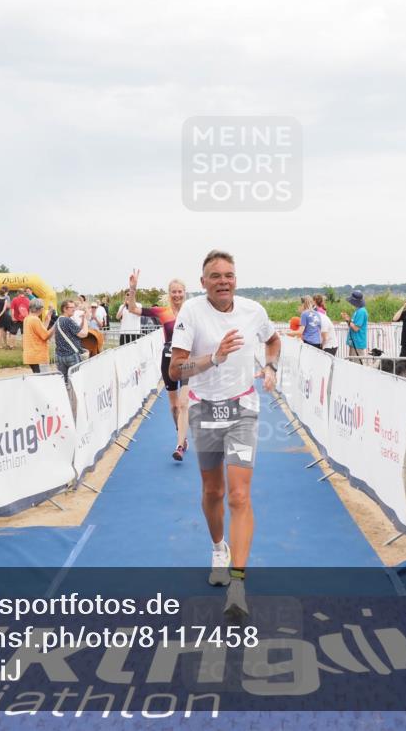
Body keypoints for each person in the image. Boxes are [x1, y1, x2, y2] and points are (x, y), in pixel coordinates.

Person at [169, 250, 280, 619]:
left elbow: (273, 341)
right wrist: (213, 358)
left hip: (242, 409)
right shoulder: (191, 313)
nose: (223, 281)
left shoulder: (253, 311)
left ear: (236, 279)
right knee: (213, 490)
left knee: (238, 494)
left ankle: (237, 583)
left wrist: (270, 368)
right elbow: (176, 370)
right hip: (204, 409)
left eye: (229, 275)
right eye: (215, 276)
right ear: (203, 283)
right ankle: (219, 547)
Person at [125, 271, 190, 461]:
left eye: (180, 291)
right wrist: (133, 288)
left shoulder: (192, 311)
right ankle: (181, 432)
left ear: (185, 292)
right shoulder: (162, 312)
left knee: (184, 402)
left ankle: (179, 445)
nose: (177, 295)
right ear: (169, 293)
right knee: (174, 406)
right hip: (168, 360)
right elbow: (132, 309)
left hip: (187, 360)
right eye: (173, 292)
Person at [53, 299, 89, 383]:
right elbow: (83, 334)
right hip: (72, 355)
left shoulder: (59, 320)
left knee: (64, 383)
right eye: (71, 307)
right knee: (77, 382)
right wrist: (86, 319)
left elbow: (76, 330)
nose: (74, 309)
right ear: (65, 309)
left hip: (60, 356)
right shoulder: (68, 320)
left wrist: (83, 319)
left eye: (74, 307)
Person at [23, 299, 54, 373]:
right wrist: (56, 326)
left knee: (38, 377)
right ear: (40, 309)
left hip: (31, 356)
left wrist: (48, 319)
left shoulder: (28, 318)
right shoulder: (35, 320)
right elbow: (45, 336)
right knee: (43, 379)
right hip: (38, 356)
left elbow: (41, 331)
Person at [341, 290, 368, 362]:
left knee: (357, 366)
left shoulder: (361, 311)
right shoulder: (358, 310)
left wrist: (348, 320)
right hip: (354, 342)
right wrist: (348, 320)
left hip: (357, 343)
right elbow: (353, 324)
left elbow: (356, 328)